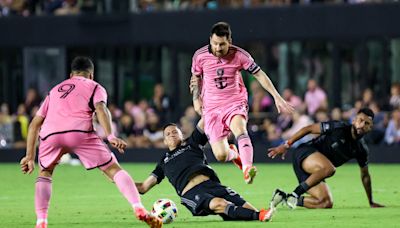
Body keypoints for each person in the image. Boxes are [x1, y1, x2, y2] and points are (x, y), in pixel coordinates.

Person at [19, 57, 162, 228]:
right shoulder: (95, 86)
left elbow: (35, 123)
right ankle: (138, 208)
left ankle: (41, 220)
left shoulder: (54, 90)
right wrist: (111, 136)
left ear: (71, 75)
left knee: (45, 173)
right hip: (79, 132)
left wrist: (29, 156)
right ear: (91, 75)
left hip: (51, 135)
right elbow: (101, 109)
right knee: (113, 169)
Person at [190, 21, 294, 184]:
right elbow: (196, 78)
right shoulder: (200, 56)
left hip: (234, 102)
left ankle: (247, 168)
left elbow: (259, 75)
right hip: (211, 108)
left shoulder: (240, 55)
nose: (218, 48)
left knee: (239, 128)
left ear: (230, 41)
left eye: (222, 44)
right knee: (221, 155)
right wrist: (196, 100)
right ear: (210, 39)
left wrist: (276, 96)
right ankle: (234, 154)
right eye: (215, 43)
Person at [136, 119, 275, 222]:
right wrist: (120, 181)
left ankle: (239, 214)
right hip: (191, 193)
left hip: (213, 185)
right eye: (168, 134)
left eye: (174, 132)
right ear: (165, 141)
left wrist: (202, 93)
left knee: (247, 209)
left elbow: (205, 118)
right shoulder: (163, 162)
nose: (172, 135)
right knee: (220, 204)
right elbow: (143, 187)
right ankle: (259, 215)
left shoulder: (192, 143)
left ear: (181, 135)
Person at [267, 108, 384, 209]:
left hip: (316, 172)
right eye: (361, 120)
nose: (362, 125)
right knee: (330, 169)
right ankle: (296, 193)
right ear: (354, 120)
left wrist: (370, 201)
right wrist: (286, 145)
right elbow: (308, 129)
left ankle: (285, 198)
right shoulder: (338, 127)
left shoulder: (361, 150)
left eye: (367, 123)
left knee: (326, 202)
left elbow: (365, 176)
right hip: (305, 153)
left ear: (370, 128)